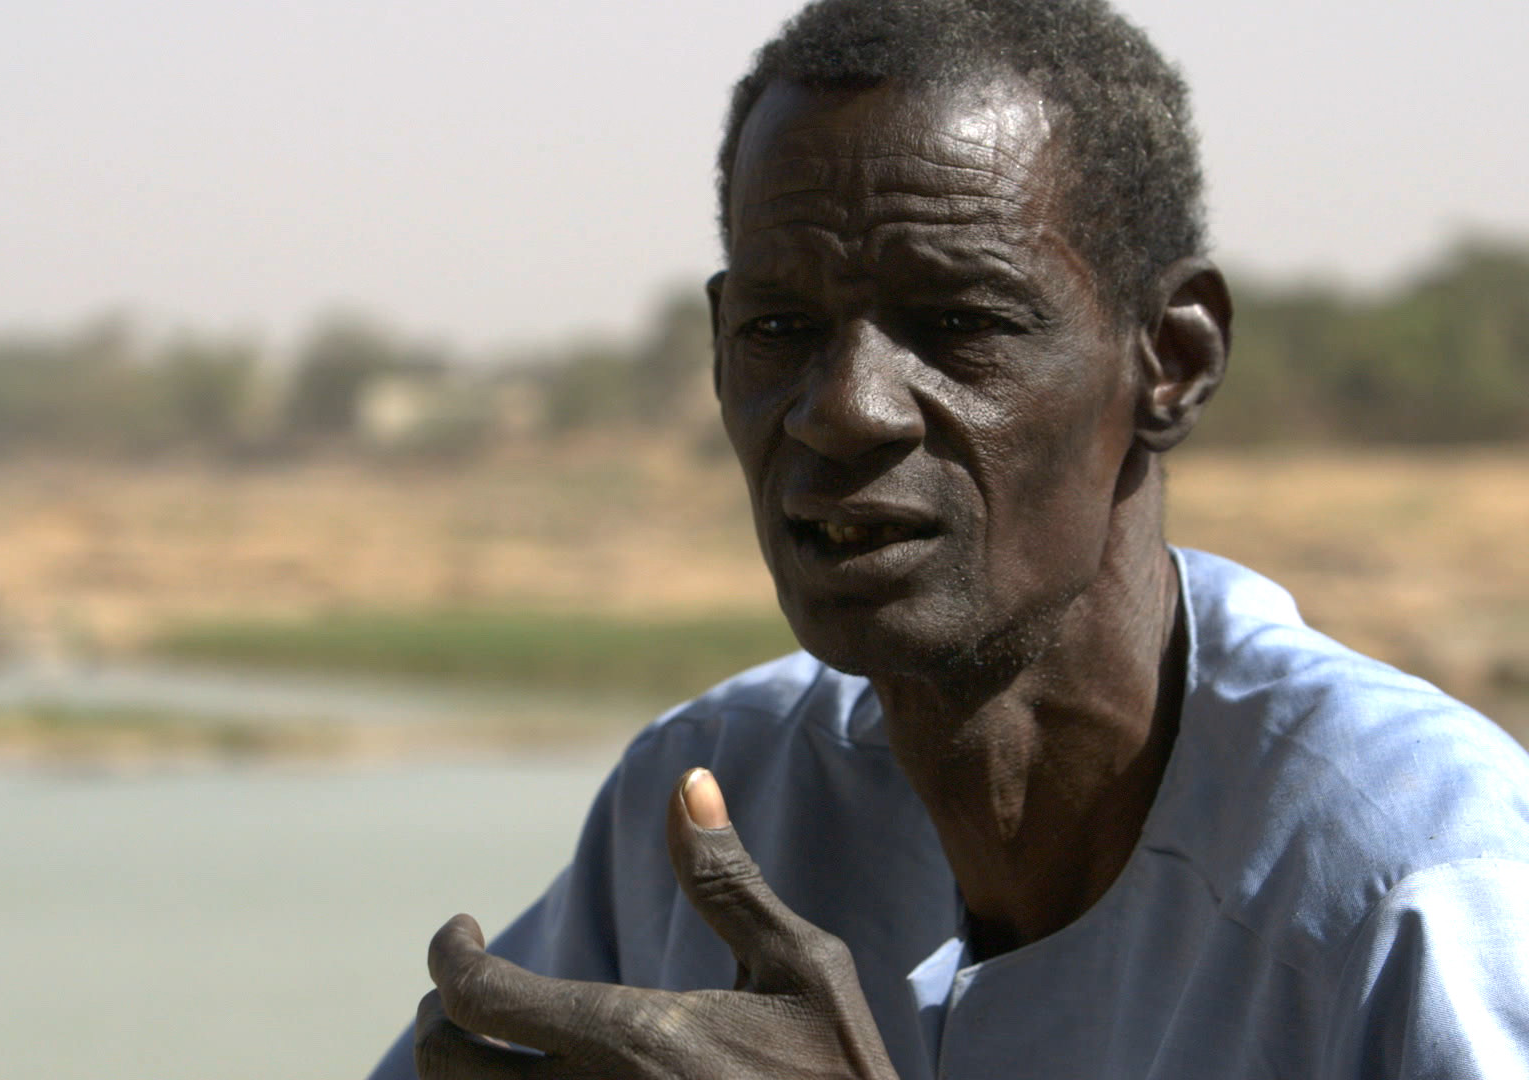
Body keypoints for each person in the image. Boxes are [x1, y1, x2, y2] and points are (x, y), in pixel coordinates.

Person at [370, 1, 1529, 1076]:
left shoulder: (1419, 882)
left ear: (1171, 360)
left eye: (958, 321)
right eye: (780, 327)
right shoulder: (711, 798)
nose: (844, 408)